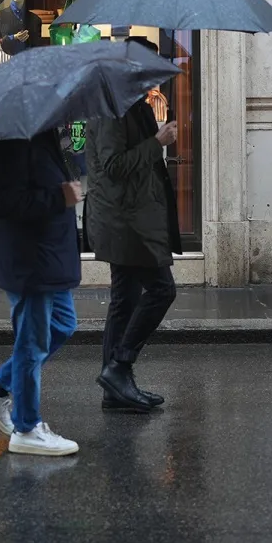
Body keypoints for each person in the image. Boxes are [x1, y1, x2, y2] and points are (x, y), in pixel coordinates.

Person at [0, 131, 84, 456]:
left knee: (63, 323)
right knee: (33, 341)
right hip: (29, 258)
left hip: (49, 256)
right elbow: (4, 201)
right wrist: (60, 197)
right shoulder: (13, 140)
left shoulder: (44, 136)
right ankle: (27, 427)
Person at [87, 38, 180, 413]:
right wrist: (157, 141)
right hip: (125, 222)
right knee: (161, 290)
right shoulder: (111, 107)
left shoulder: (129, 102)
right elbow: (113, 165)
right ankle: (120, 365)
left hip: (128, 218)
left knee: (124, 300)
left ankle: (115, 386)